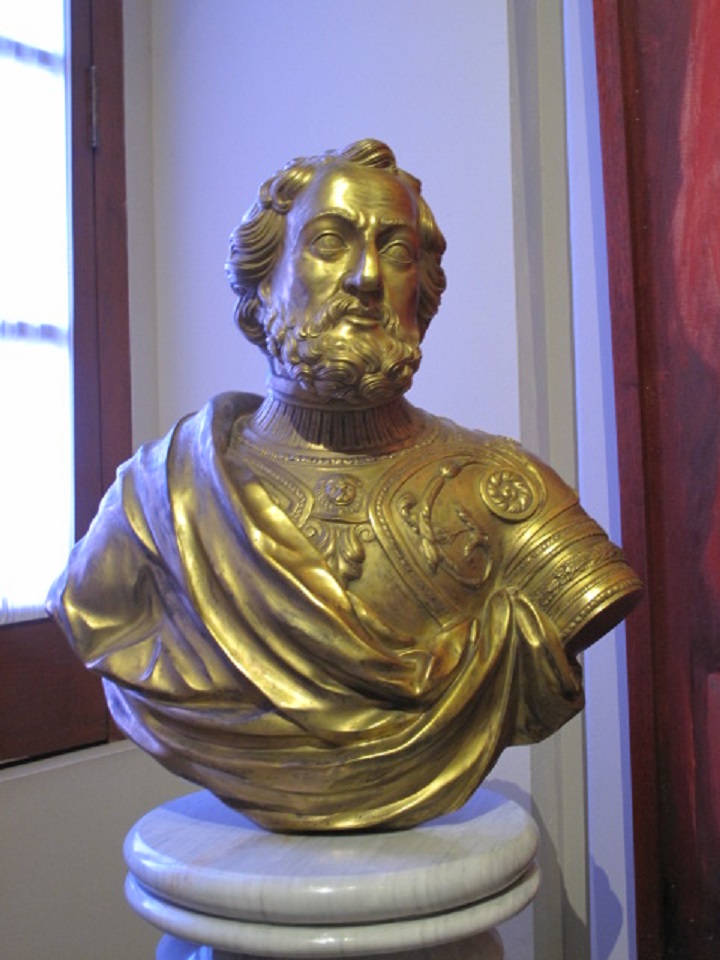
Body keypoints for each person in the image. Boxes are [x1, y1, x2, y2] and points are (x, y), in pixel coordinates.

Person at [48, 140, 641, 832]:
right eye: (329, 243)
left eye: (396, 251)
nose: (365, 277)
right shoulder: (159, 501)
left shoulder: (506, 492)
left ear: (423, 292)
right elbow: (99, 620)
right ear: (263, 283)